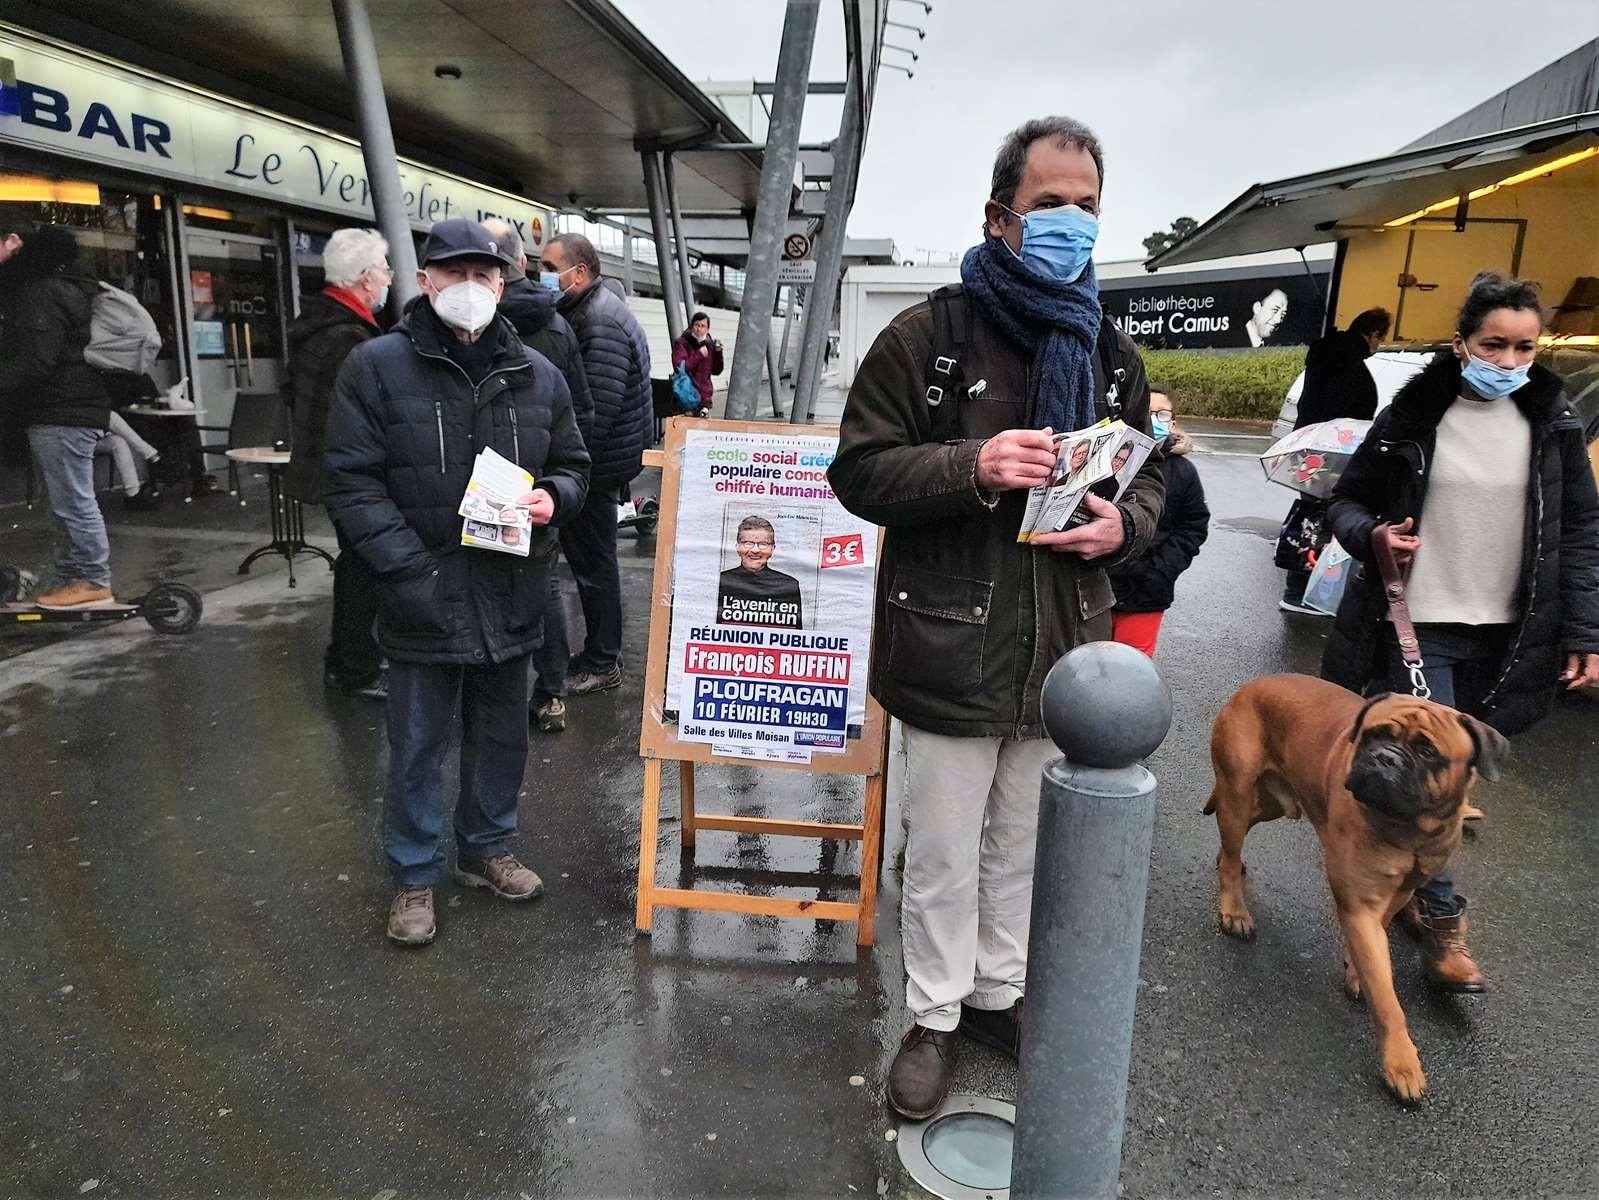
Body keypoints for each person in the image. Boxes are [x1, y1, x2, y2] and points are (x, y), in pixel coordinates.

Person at [829, 116, 1165, 1120]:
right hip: (951, 638)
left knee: (1020, 844)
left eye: (1087, 205)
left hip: (1065, 648)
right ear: (1000, 215)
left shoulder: (1108, 349)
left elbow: (1151, 482)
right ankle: (931, 1016)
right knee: (939, 849)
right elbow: (857, 469)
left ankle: (994, 996)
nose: (1070, 222)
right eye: (1050, 203)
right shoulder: (928, 336)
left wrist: (1121, 529)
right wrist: (969, 466)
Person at [1321, 272, 1599, 991]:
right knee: (1425, 779)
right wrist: (1374, 536)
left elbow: (1580, 531)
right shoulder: (1412, 418)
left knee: (1455, 784)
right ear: (1460, 343)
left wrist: (1585, 631)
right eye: (1492, 345)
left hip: (1511, 639)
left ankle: (1405, 901)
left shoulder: (1553, 425)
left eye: (1524, 348)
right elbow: (1344, 503)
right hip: (1420, 629)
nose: (1508, 362)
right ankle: (1441, 926)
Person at [323, 218, 590, 947]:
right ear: (426, 281)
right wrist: (408, 571)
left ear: (503, 285)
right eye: (455, 273)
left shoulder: (539, 374)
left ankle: (486, 849)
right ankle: (413, 876)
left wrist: (554, 498)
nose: (470, 287)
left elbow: (575, 465)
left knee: (502, 735)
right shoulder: (376, 367)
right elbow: (351, 483)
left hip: (511, 588)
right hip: (421, 592)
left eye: (485, 275)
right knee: (415, 744)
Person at [482, 218, 594, 734]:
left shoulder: (467, 329)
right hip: (539, 489)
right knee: (544, 589)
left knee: (481, 587)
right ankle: (550, 694)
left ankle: (486, 690)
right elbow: (580, 410)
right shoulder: (555, 324)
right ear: (521, 263)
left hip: (482, 488)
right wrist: (558, 480)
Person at [538, 232, 651, 696]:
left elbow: (595, 413)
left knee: (595, 566)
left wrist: (569, 472)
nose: (541, 275)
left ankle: (603, 662)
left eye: (549, 267)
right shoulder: (591, 309)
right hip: (602, 465)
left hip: (596, 469)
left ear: (578, 273)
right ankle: (600, 655)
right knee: (594, 563)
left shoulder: (598, 321)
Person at [285, 227, 391, 701]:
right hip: (348, 474)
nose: (390, 278)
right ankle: (354, 666)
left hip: (330, 468)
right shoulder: (347, 337)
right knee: (363, 566)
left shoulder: (321, 324)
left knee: (358, 563)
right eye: (385, 270)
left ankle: (351, 658)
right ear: (366, 280)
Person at [0, 223, 118, 608]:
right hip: (72, 408)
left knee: (72, 501)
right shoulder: (74, 289)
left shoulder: (42, 293)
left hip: (61, 410)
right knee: (66, 501)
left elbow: (38, 360)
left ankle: (92, 578)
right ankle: (72, 578)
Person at [1278, 307, 1392, 614]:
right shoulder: (1350, 365)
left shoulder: (1326, 357)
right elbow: (1345, 413)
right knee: (1325, 519)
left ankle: (1302, 589)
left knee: (1312, 513)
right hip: (1333, 454)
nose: (1379, 345)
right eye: (1380, 339)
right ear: (1373, 335)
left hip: (1311, 449)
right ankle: (1304, 593)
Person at [1108, 386, 1210, 655]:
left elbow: (1193, 527)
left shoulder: (1183, 471)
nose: (1154, 419)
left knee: (1131, 670)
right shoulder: (1109, 460)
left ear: (1172, 422)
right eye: (1147, 411)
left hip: (1147, 593)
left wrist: (1161, 571)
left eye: (1161, 413)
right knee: (1087, 667)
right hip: (1099, 587)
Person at [716, 516, 803, 628]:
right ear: (737, 548)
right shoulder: (719, 581)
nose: (755, 550)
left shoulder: (789, 585)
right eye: (748, 543)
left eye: (763, 544)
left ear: (772, 549)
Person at [671, 311, 724, 416]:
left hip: (704, 399)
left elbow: (716, 371)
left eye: (703, 326)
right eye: (696, 325)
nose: (699, 329)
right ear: (691, 326)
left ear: (707, 329)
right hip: (686, 396)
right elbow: (680, 368)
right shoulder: (682, 343)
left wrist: (718, 353)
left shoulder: (710, 345)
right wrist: (698, 355)